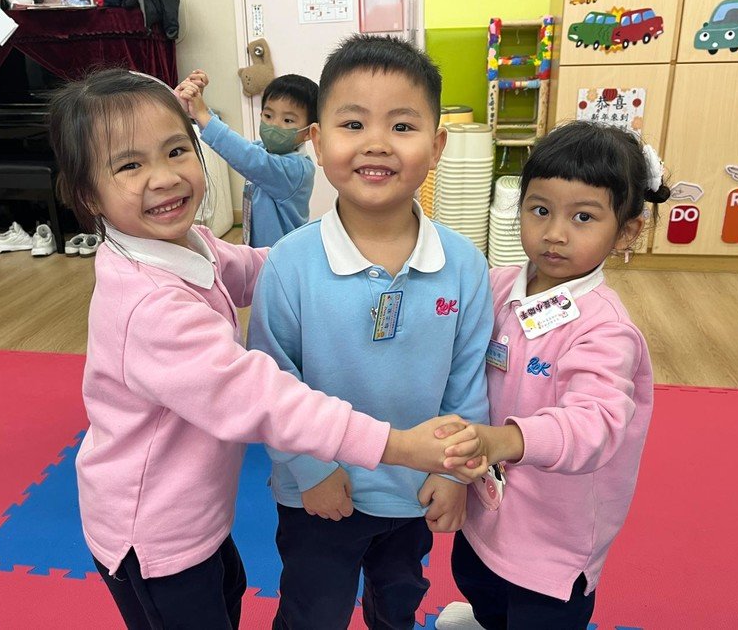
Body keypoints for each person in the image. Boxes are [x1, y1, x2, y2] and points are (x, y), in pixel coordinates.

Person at [47, 68, 487, 630]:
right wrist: (396, 446)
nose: (164, 177)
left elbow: (258, 265)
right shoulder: (147, 305)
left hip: (201, 513)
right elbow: (259, 396)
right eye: (130, 165)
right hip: (152, 532)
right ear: (89, 195)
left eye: (176, 150)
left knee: (229, 595)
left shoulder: (191, 245)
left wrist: (325, 260)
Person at [246, 35, 494, 630]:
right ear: (317, 141)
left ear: (436, 146)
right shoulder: (289, 264)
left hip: (414, 489)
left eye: (402, 126)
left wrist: (452, 472)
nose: (376, 143)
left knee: (399, 604)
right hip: (319, 491)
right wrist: (312, 469)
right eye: (353, 124)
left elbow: (467, 382)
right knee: (313, 611)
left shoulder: (464, 265)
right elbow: (272, 383)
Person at [437, 120, 671, 629]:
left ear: (626, 231)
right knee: (477, 576)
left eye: (583, 217)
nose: (555, 233)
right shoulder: (498, 286)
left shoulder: (606, 329)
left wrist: (506, 439)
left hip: (557, 529)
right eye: (540, 210)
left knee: (540, 610)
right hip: (490, 501)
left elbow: (596, 421)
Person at [175, 70, 316, 248]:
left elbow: (247, 156)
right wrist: (196, 110)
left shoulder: (297, 170)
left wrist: (203, 115)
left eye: (288, 120)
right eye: (268, 116)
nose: (274, 125)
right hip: (256, 248)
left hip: (281, 256)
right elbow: (238, 147)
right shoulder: (263, 149)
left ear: (309, 132)